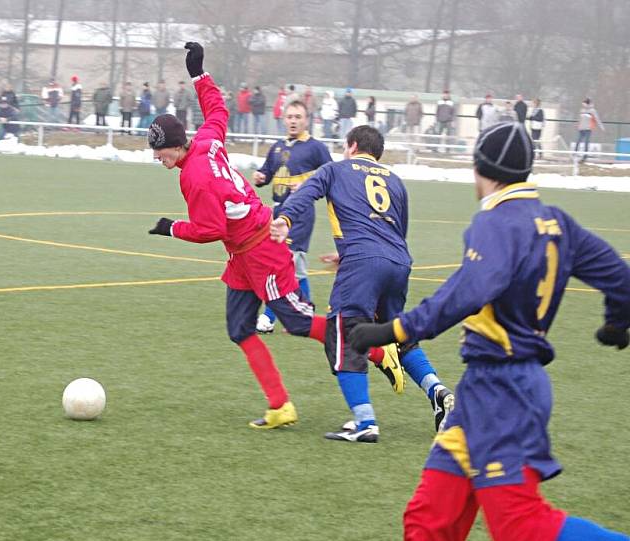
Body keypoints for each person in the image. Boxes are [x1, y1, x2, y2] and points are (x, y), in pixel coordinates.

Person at [346, 122, 630, 541]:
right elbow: (620, 276)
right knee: (430, 522)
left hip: (504, 391)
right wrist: (616, 322)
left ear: (481, 169)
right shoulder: (556, 221)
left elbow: (470, 291)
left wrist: (394, 330)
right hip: (489, 391)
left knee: (521, 529)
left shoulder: (494, 222)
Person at [146, 42, 332, 430]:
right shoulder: (207, 140)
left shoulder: (194, 177)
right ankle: (280, 405)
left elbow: (209, 230)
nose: (156, 158)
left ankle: (372, 348)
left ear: (176, 146)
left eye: (159, 151)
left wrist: (170, 228)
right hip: (243, 254)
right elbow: (217, 109)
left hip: (261, 248)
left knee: (297, 323)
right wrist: (199, 73)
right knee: (239, 329)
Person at [270, 125, 456, 442]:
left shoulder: (335, 169)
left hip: (363, 263)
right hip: (397, 262)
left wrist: (284, 220)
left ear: (352, 146)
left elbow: (306, 193)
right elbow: (395, 232)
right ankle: (437, 391)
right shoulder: (395, 181)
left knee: (343, 335)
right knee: (397, 333)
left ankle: (365, 422)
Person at [252, 99, 332, 334]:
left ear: (306, 120)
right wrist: (260, 176)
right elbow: (267, 172)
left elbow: (332, 174)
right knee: (289, 266)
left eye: (298, 117)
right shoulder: (277, 146)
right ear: (284, 119)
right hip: (278, 212)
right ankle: (304, 312)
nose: (294, 121)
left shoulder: (315, 147)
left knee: (286, 262)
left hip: (300, 214)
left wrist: (307, 183)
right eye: (290, 117)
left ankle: (268, 317)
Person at [575, 98, 604, 162]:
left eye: (584, 103)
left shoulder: (592, 111)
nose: (583, 105)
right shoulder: (582, 110)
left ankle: (584, 157)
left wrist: (601, 127)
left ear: (587, 103)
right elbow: (579, 119)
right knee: (578, 141)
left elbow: (597, 119)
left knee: (586, 142)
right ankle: (575, 154)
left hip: (588, 129)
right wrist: (578, 125)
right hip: (581, 129)